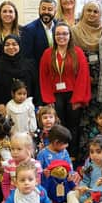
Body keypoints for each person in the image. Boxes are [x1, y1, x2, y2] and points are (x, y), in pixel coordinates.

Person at [39, 22, 91, 158]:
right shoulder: (48, 53)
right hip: (55, 95)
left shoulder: (78, 52)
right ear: (54, 36)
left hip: (73, 95)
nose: (61, 36)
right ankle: (56, 153)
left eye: (65, 34)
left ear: (70, 36)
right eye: (58, 34)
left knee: (73, 126)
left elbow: (83, 76)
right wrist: (48, 99)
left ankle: (72, 154)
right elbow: (43, 77)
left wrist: (78, 98)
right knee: (57, 126)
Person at [0, 34, 38, 119]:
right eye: (7, 45)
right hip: (3, 108)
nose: (11, 47)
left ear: (19, 46)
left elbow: (36, 85)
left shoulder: (29, 64)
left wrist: (37, 104)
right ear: (3, 47)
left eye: (14, 44)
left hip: (26, 107)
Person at [65, 135, 102, 203]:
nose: (94, 155)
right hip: (89, 194)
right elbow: (85, 180)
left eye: (98, 152)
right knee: (71, 194)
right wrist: (82, 187)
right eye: (92, 152)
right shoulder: (89, 163)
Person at [71, 1, 102, 98]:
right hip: (81, 76)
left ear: (100, 14)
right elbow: (72, 56)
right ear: (83, 12)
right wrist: (84, 75)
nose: (92, 14)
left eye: (95, 11)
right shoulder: (74, 31)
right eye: (89, 10)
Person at [21, 0, 57, 82]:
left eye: (50, 9)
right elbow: (27, 58)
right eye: (43, 9)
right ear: (39, 10)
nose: (46, 12)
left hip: (59, 73)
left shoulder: (60, 26)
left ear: (55, 11)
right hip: (39, 75)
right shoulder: (29, 29)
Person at [1, 132, 42, 201]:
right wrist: (8, 197)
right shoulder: (9, 164)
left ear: (28, 149)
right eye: (12, 149)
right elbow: (5, 183)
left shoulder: (35, 165)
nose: (15, 152)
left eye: (19, 149)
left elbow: (37, 184)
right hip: (13, 198)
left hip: (31, 198)